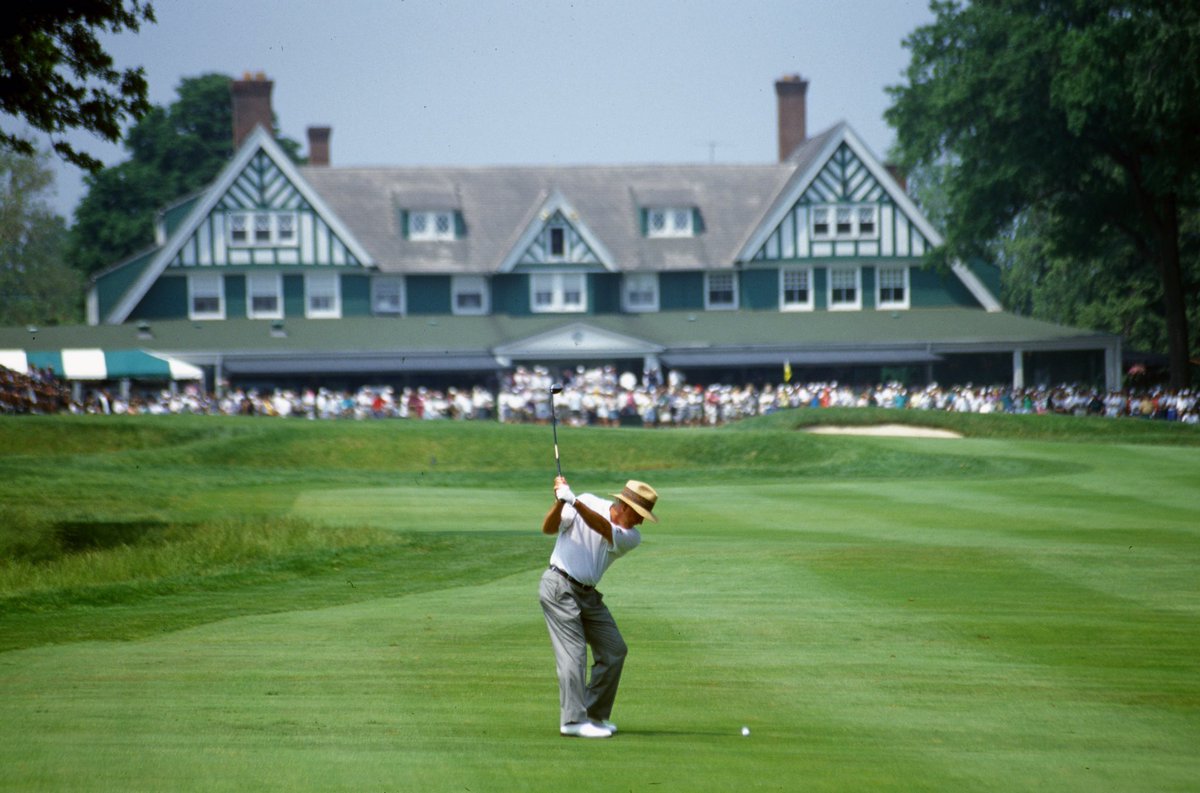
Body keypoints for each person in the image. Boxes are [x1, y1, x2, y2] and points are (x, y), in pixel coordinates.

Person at [539, 475, 658, 738]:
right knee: (574, 653)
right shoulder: (588, 500)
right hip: (559, 585)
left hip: (588, 595)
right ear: (625, 505)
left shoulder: (631, 536)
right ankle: (572, 722)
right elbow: (548, 529)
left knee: (615, 650)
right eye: (639, 513)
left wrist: (574, 502)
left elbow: (603, 528)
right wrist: (560, 503)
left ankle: (592, 715)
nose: (640, 520)